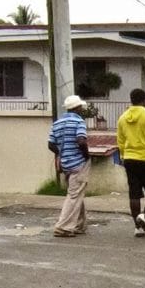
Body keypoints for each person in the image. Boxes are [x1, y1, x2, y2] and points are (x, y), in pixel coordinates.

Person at [116, 88, 145, 237]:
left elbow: (120, 139)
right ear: (144, 100)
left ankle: (138, 228)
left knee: (134, 194)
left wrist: (123, 155)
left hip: (129, 159)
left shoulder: (123, 117)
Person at [49, 94, 90, 238]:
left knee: (77, 193)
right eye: (81, 107)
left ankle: (79, 225)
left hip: (66, 163)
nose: (82, 110)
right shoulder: (79, 122)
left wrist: (62, 151)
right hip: (78, 162)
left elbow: (51, 144)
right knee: (74, 195)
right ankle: (63, 227)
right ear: (77, 108)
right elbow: (81, 141)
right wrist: (86, 155)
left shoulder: (58, 123)